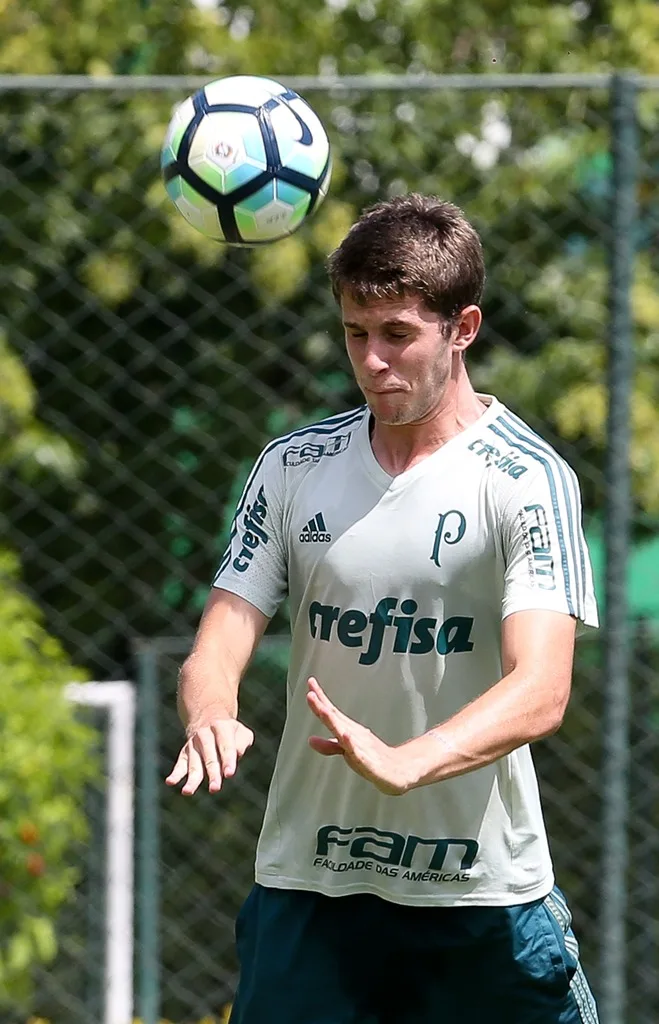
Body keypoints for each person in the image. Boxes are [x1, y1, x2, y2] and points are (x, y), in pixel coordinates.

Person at [166, 193, 600, 1024]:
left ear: (461, 328)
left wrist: (412, 759)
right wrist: (210, 710)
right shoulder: (294, 466)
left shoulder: (522, 478)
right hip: (310, 887)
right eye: (355, 334)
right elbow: (222, 631)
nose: (372, 361)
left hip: (480, 896)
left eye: (397, 334)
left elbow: (542, 686)